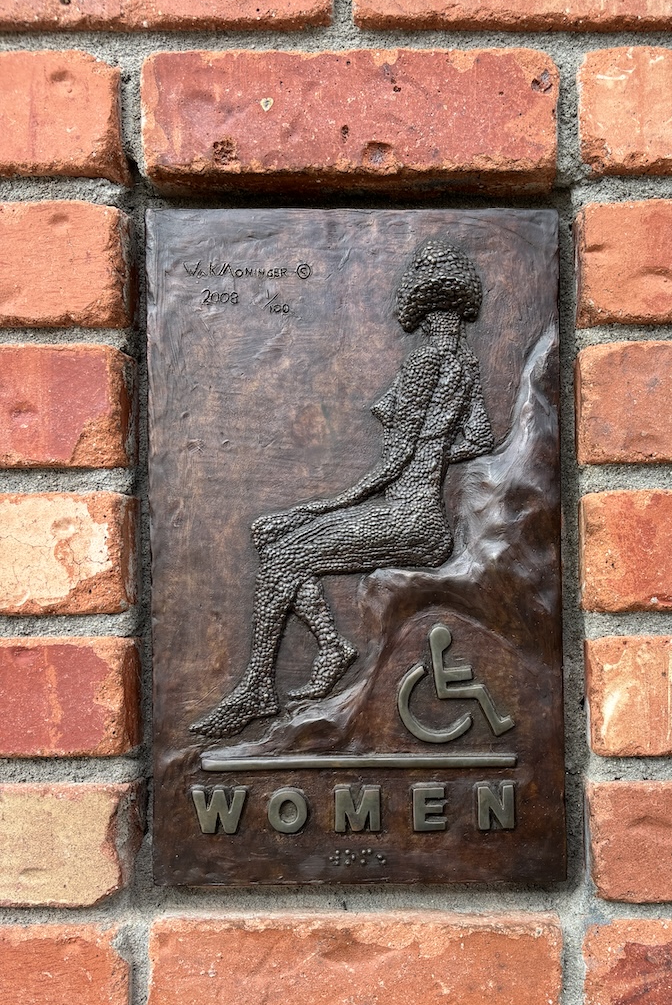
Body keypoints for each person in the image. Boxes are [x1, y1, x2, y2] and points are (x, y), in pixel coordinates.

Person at [190, 239, 494, 739]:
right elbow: (479, 437)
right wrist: (433, 454)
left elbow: (391, 465)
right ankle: (330, 648)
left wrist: (312, 508)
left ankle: (258, 689)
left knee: (283, 552)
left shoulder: (422, 366)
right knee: (275, 543)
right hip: (425, 519)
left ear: (418, 301)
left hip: (405, 519)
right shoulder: (465, 362)